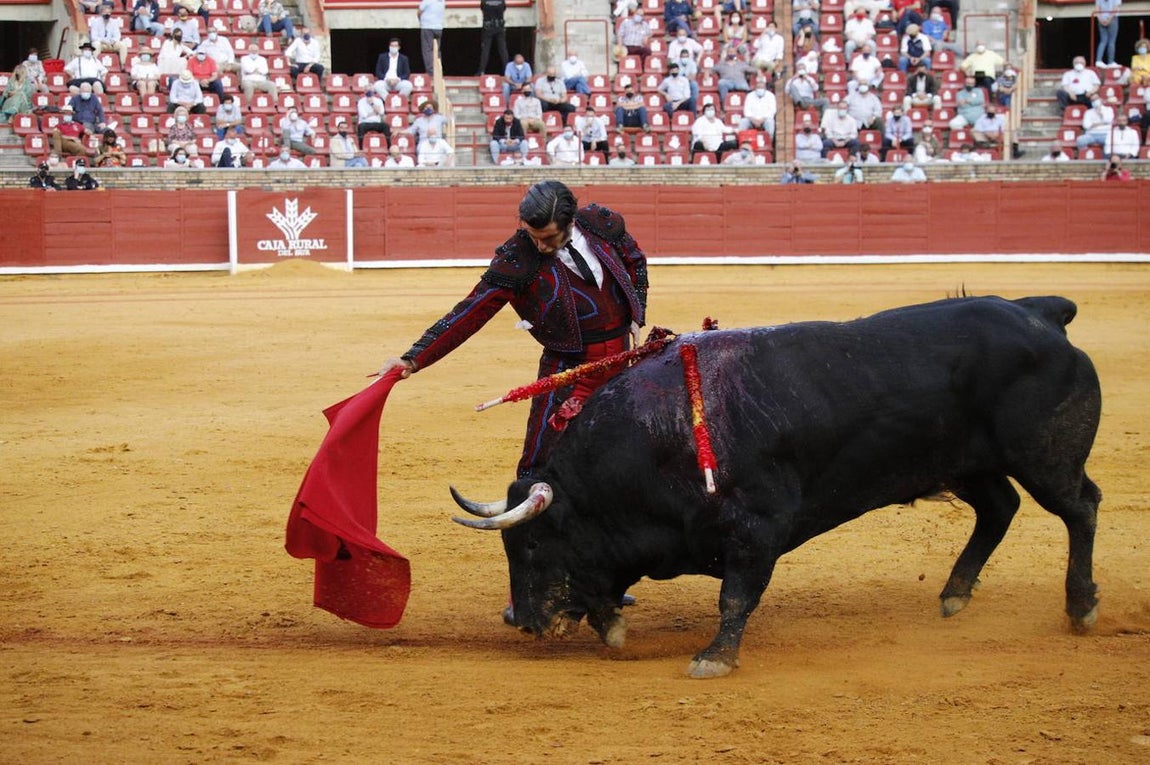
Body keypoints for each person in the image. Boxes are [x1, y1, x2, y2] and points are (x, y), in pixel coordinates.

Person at [376, 179, 648, 485]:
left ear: (570, 222)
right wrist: (414, 358)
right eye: (534, 236)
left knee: (621, 448)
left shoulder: (599, 224)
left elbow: (635, 261)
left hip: (623, 361)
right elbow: (472, 311)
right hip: (567, 368)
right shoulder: (518, 255)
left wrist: (637, 313)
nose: (540, 246)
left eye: (549, 238)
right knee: (540, 460)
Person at [87, 3, 130, 69]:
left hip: (111, 44)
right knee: (96, 44)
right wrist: (104, 41)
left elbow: (117, 36)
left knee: (123, 45)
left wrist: (112, 41)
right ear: (101, 13)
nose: (107, 14)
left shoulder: (114, 22)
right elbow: (93, 37)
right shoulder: (95, 22)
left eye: (109, 13)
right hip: (101, 44)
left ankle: (123, 64)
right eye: (105, 12)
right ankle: (95, 64)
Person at [477, 0, 509, 75]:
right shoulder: (501, 1)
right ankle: (507, 71)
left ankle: (481, 71)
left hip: (488, 27)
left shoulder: (484, 1)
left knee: (485, 50)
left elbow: (482, 9)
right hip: (500, 27)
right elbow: (504, 9)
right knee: (503, 50)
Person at [419, 0, 445, 74]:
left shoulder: (427, 1)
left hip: (427, 27)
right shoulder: (442, 1)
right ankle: (438, 69)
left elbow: (419, 12)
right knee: (437, 50)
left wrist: (421, 21)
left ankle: (430, 71)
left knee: (427, 50)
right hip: (438, 27)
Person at [1095, 0, 1121, 68]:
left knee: (1103, 41)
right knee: (1111, 41)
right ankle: (1110, 62)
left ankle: (1098, 60)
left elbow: (1097, 9)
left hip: (1101, 19)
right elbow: (1115, 9)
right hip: (1112, 19)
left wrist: (1100, 19)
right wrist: (1109, 19)